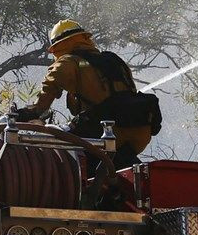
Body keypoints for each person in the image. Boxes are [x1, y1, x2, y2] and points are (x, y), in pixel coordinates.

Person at [13, 19, 159, 169]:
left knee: (57, 142)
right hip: (139, 132)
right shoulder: (114, 60)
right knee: (112, 164)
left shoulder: (68, 62)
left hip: (101, 129)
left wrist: (24, 114)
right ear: (85, 38)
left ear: (57, 46)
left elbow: (44, 99)